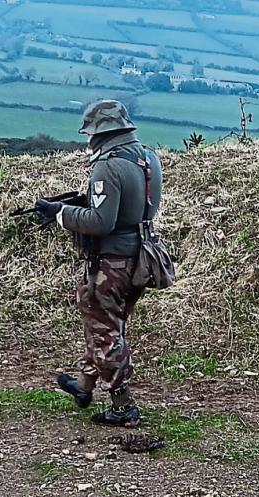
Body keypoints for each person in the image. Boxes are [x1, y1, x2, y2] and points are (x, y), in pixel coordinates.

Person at [33, 100, 163, 428]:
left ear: (97, 133)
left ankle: (123, 406)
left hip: (111, 262)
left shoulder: (108, 165)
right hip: (141, 258)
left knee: (106, 331)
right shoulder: (149, 158)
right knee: (102, 320)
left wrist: (60, 213)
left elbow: (101, 221)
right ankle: (84, 385)